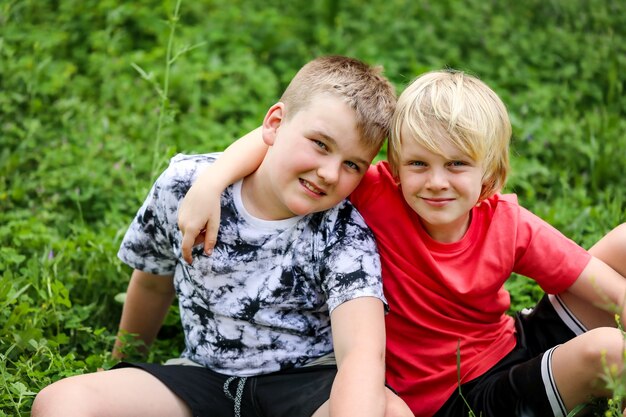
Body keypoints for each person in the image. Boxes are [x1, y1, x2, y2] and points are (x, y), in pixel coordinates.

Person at [176, 69, 626, 417]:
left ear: (489, 174)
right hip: (459, 399)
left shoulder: (507, 223)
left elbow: (602, 283)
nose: (435, 182)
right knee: (607, 350)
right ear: (393, 167)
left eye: (456, 164)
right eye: (417, 163)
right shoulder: (376, 192)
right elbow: (281, 135)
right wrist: (211, 182)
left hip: (513, 343)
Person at [31, 55, 402, 417]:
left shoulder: (344, 232)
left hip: (303, 385)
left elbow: (361, 353)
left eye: (352, 164)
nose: (329, 173)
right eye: (320, 144)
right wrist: (122, 364)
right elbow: (152, 285)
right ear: (274, 123)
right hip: (202, 376)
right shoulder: (187, 188)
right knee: (62, 403)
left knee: (391, 412)